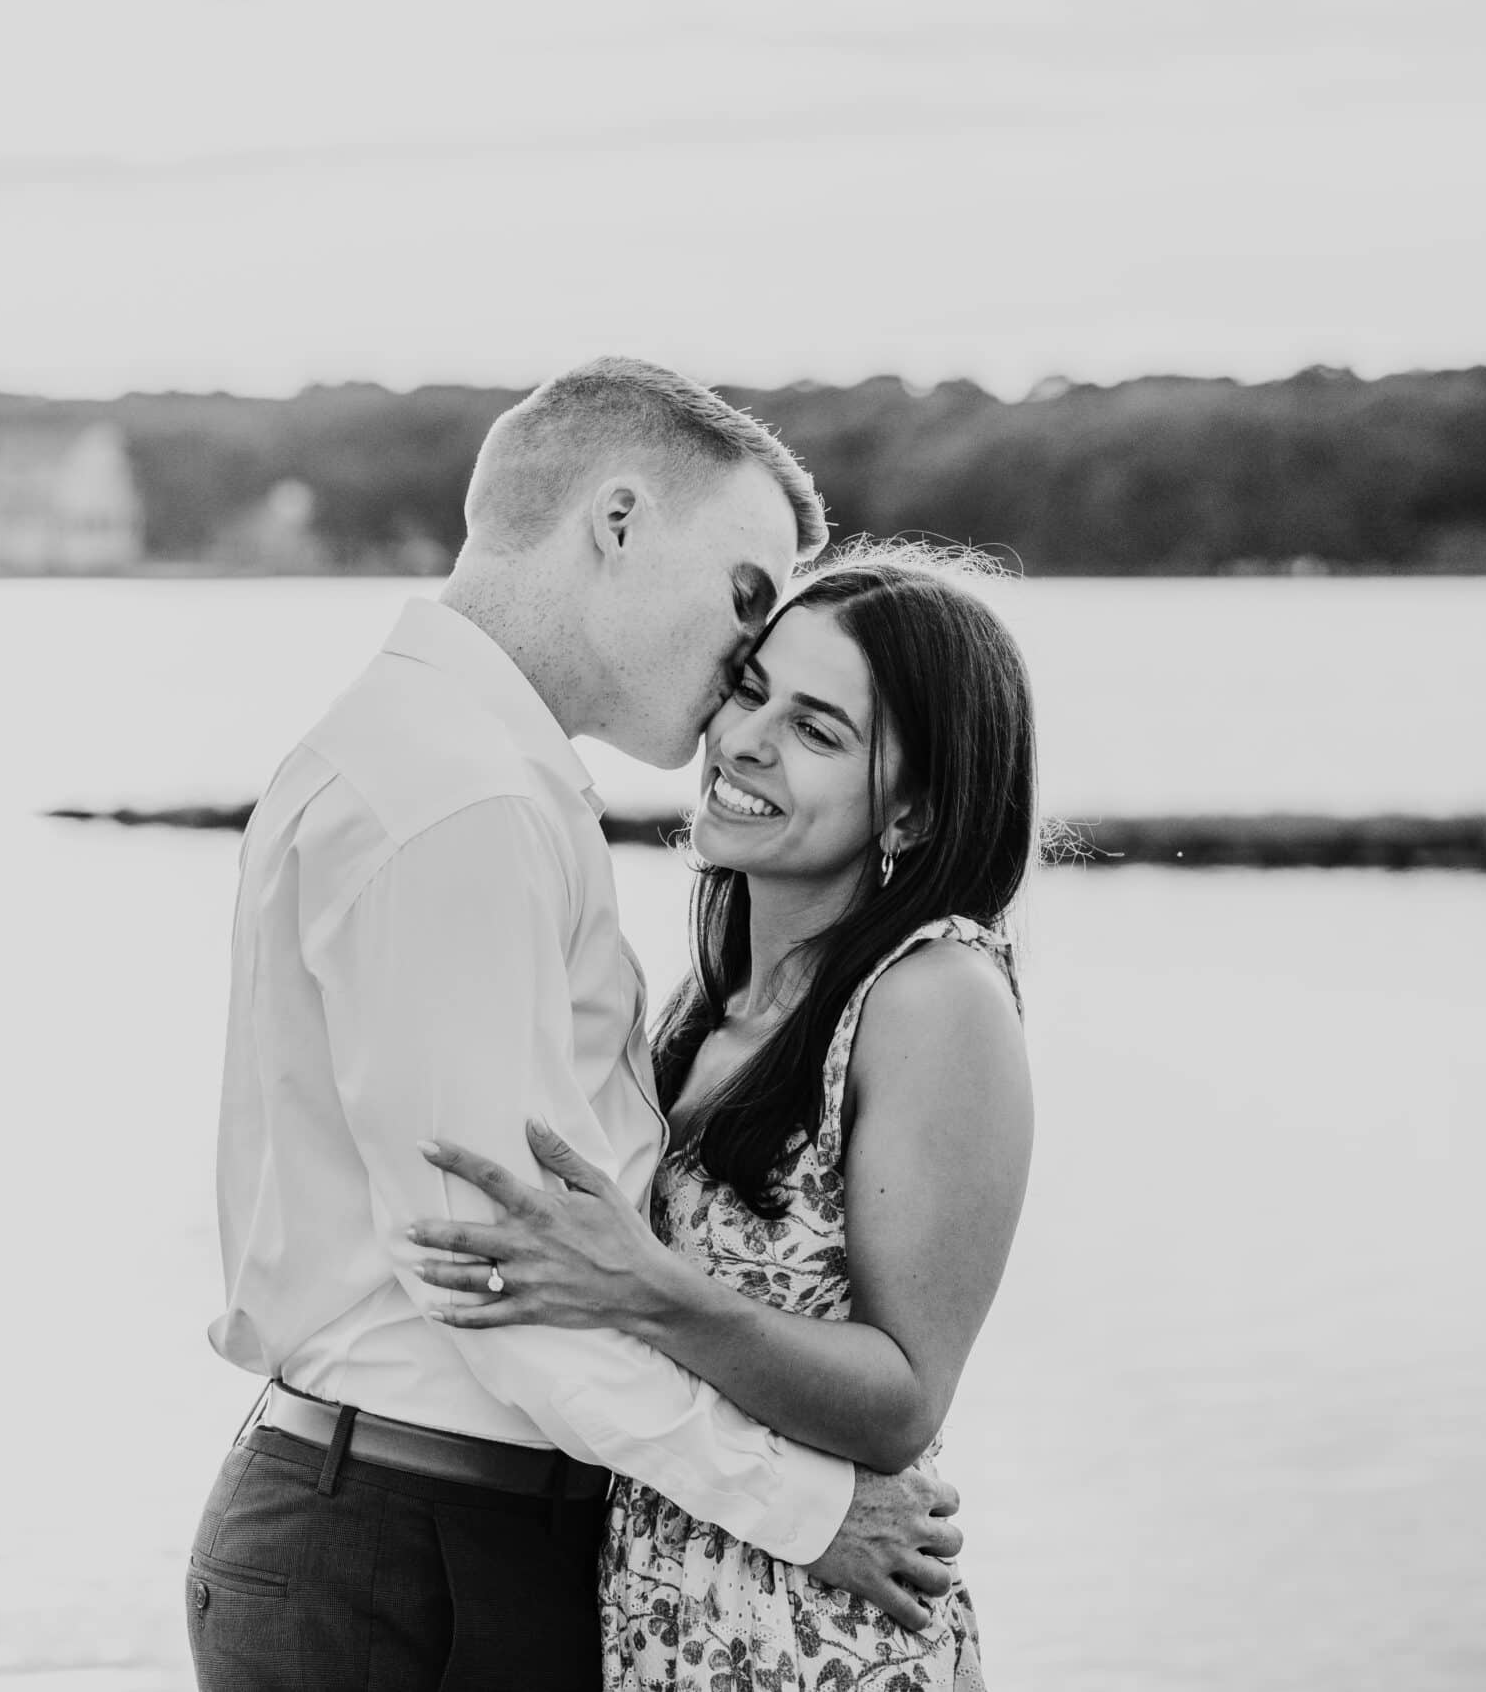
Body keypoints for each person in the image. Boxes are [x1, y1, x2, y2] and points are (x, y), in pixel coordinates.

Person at [191, 361, 962, 1692]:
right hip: (418, 1549)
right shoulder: (461, 798)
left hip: (410, 1532)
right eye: (741, 599)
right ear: (616, 523)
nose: (743, 669)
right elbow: (501, 1281)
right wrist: (810, 1510)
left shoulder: (462, 763)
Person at [405, 543, 1039, 1690]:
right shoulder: (715, 999)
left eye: (818, 729)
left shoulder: (932, 997)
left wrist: (638, 1284)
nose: (745, 739)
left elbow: (900, 1401)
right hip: (659, 1614)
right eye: (751, 689)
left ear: (916, 804)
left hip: (819, 1637)